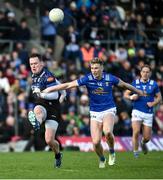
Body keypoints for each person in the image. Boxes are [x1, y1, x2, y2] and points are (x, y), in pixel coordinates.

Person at [38, 57, 144, 168]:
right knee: (96, 142)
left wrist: (138, 91)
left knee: (107, 132)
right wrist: (49, 89)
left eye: (96, 68)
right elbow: (68, 85)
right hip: (94, 112)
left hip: (109, 109)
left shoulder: (110, 78)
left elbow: (125, 85)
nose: (94, 70)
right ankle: (102, 158)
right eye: (92, 68)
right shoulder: (87, 78)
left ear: (102, 68)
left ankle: (112, 152)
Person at [28, 53, 66, 168]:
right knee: (38, 111)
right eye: (31, 64)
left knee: (49, 140)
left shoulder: (47, 76)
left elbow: (54, 95)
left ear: (41, 64)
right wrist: (64, 92)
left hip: (53, 107)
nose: (33, 66)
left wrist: (41, 94)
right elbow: (58, 83)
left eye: (35, 63)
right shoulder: (34, 75)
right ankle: (37, 122)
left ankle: (58, 155)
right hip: (41, 104)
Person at [124, 64, 162, 158]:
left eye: (147, 72)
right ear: (140, 73)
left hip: (148, 113)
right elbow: (126, 94)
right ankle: (135, 152)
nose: (145, 74)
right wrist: (131, 97)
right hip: (137, 111)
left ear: (150, 73)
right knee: (136, 132)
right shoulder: (135, 83)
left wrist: (153, 104)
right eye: (143, 72)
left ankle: (143, 142)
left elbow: (159, 97)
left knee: (147, 138)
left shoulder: (154, 84)